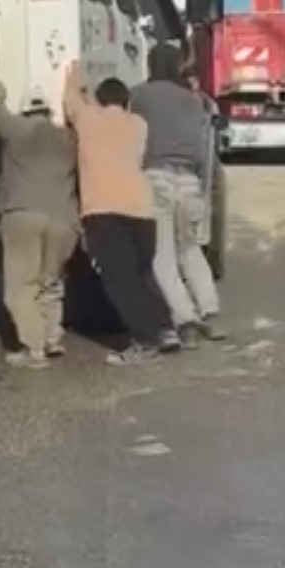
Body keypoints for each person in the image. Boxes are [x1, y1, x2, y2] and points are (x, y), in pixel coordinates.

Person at [62, 61, 178, 366]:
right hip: (142, 210)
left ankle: (144, 341)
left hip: (103, 210)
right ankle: (165, 328)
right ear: (126, 103)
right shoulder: (139, 125)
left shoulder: (87, 119)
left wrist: (76, 74)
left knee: (120, 281)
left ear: (99, 102)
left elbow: (71, 98)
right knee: (142, 274)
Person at [130, 44, 225, 348]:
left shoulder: (141, 95)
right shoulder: (195, 100)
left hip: (156, 177)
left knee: (163, 258)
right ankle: (210, 311)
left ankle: (186, 319)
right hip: (189, 183)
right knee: (191, 250)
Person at [0, 80, 79, 370]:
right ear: (49, 112)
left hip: (23, 214)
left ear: (25, 111)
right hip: (64, 219)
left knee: (22, 285)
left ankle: (33, 348)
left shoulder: (14, 128)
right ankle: (52, 337)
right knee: (50, 281)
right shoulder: (69, 138)